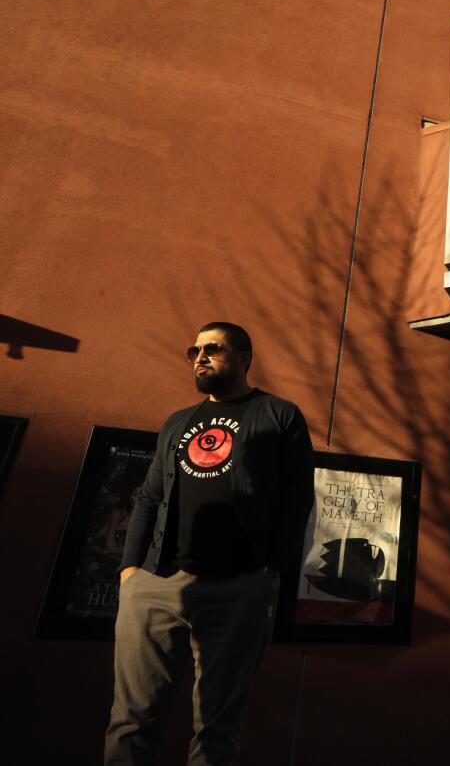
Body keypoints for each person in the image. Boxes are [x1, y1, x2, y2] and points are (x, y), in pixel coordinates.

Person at [105, 322, 315, 765]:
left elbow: (297, 502)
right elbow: (150, 497)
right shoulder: (179, 422)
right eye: (194, 351)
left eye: (213, 349)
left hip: (238, 587)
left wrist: (271, 573)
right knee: (132, 719)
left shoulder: (279, 416)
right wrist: (130, 571)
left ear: (243, 358)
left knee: (218, 727)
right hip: (157, 584)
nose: (200, 357)